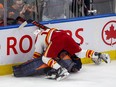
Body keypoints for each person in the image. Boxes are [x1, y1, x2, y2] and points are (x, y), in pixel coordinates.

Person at [32, 28, 110, 80]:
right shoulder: (49, 29)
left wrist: (30, 62)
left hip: (57, 40)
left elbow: (36, 55)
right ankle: (98, 55)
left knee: (45, 58)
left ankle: (60, 70)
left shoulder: (38, 38)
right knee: (79, 53)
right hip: (65, 34)